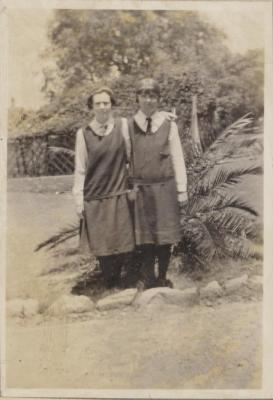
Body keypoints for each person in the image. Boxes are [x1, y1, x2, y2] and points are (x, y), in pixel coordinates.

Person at [72, 86, 135, 289]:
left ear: (112, 105)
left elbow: (130, 156)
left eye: (106, 103)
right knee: (103, 245)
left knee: (123, 240)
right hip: (95, 196)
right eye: (98, 103)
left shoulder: (122, 125)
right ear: (91, 107)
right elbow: (80, 169)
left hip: (118, 192)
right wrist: (79, 200)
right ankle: (110, 283)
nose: (102, 107)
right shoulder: (83, 134)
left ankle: (126, 283)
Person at [128, 78, 188, 290]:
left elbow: (177, 157)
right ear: (137, 98)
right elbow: (126, 158)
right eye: (144, 95)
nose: (148, 100)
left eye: (153, 96)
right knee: (145, 237)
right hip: (141, 189)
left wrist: (182, 189)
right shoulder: (128, 126)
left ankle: (162, 277)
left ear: (158, 99)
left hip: (165, 187)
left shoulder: (168, 125)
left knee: (164, 236)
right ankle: (148, 278)